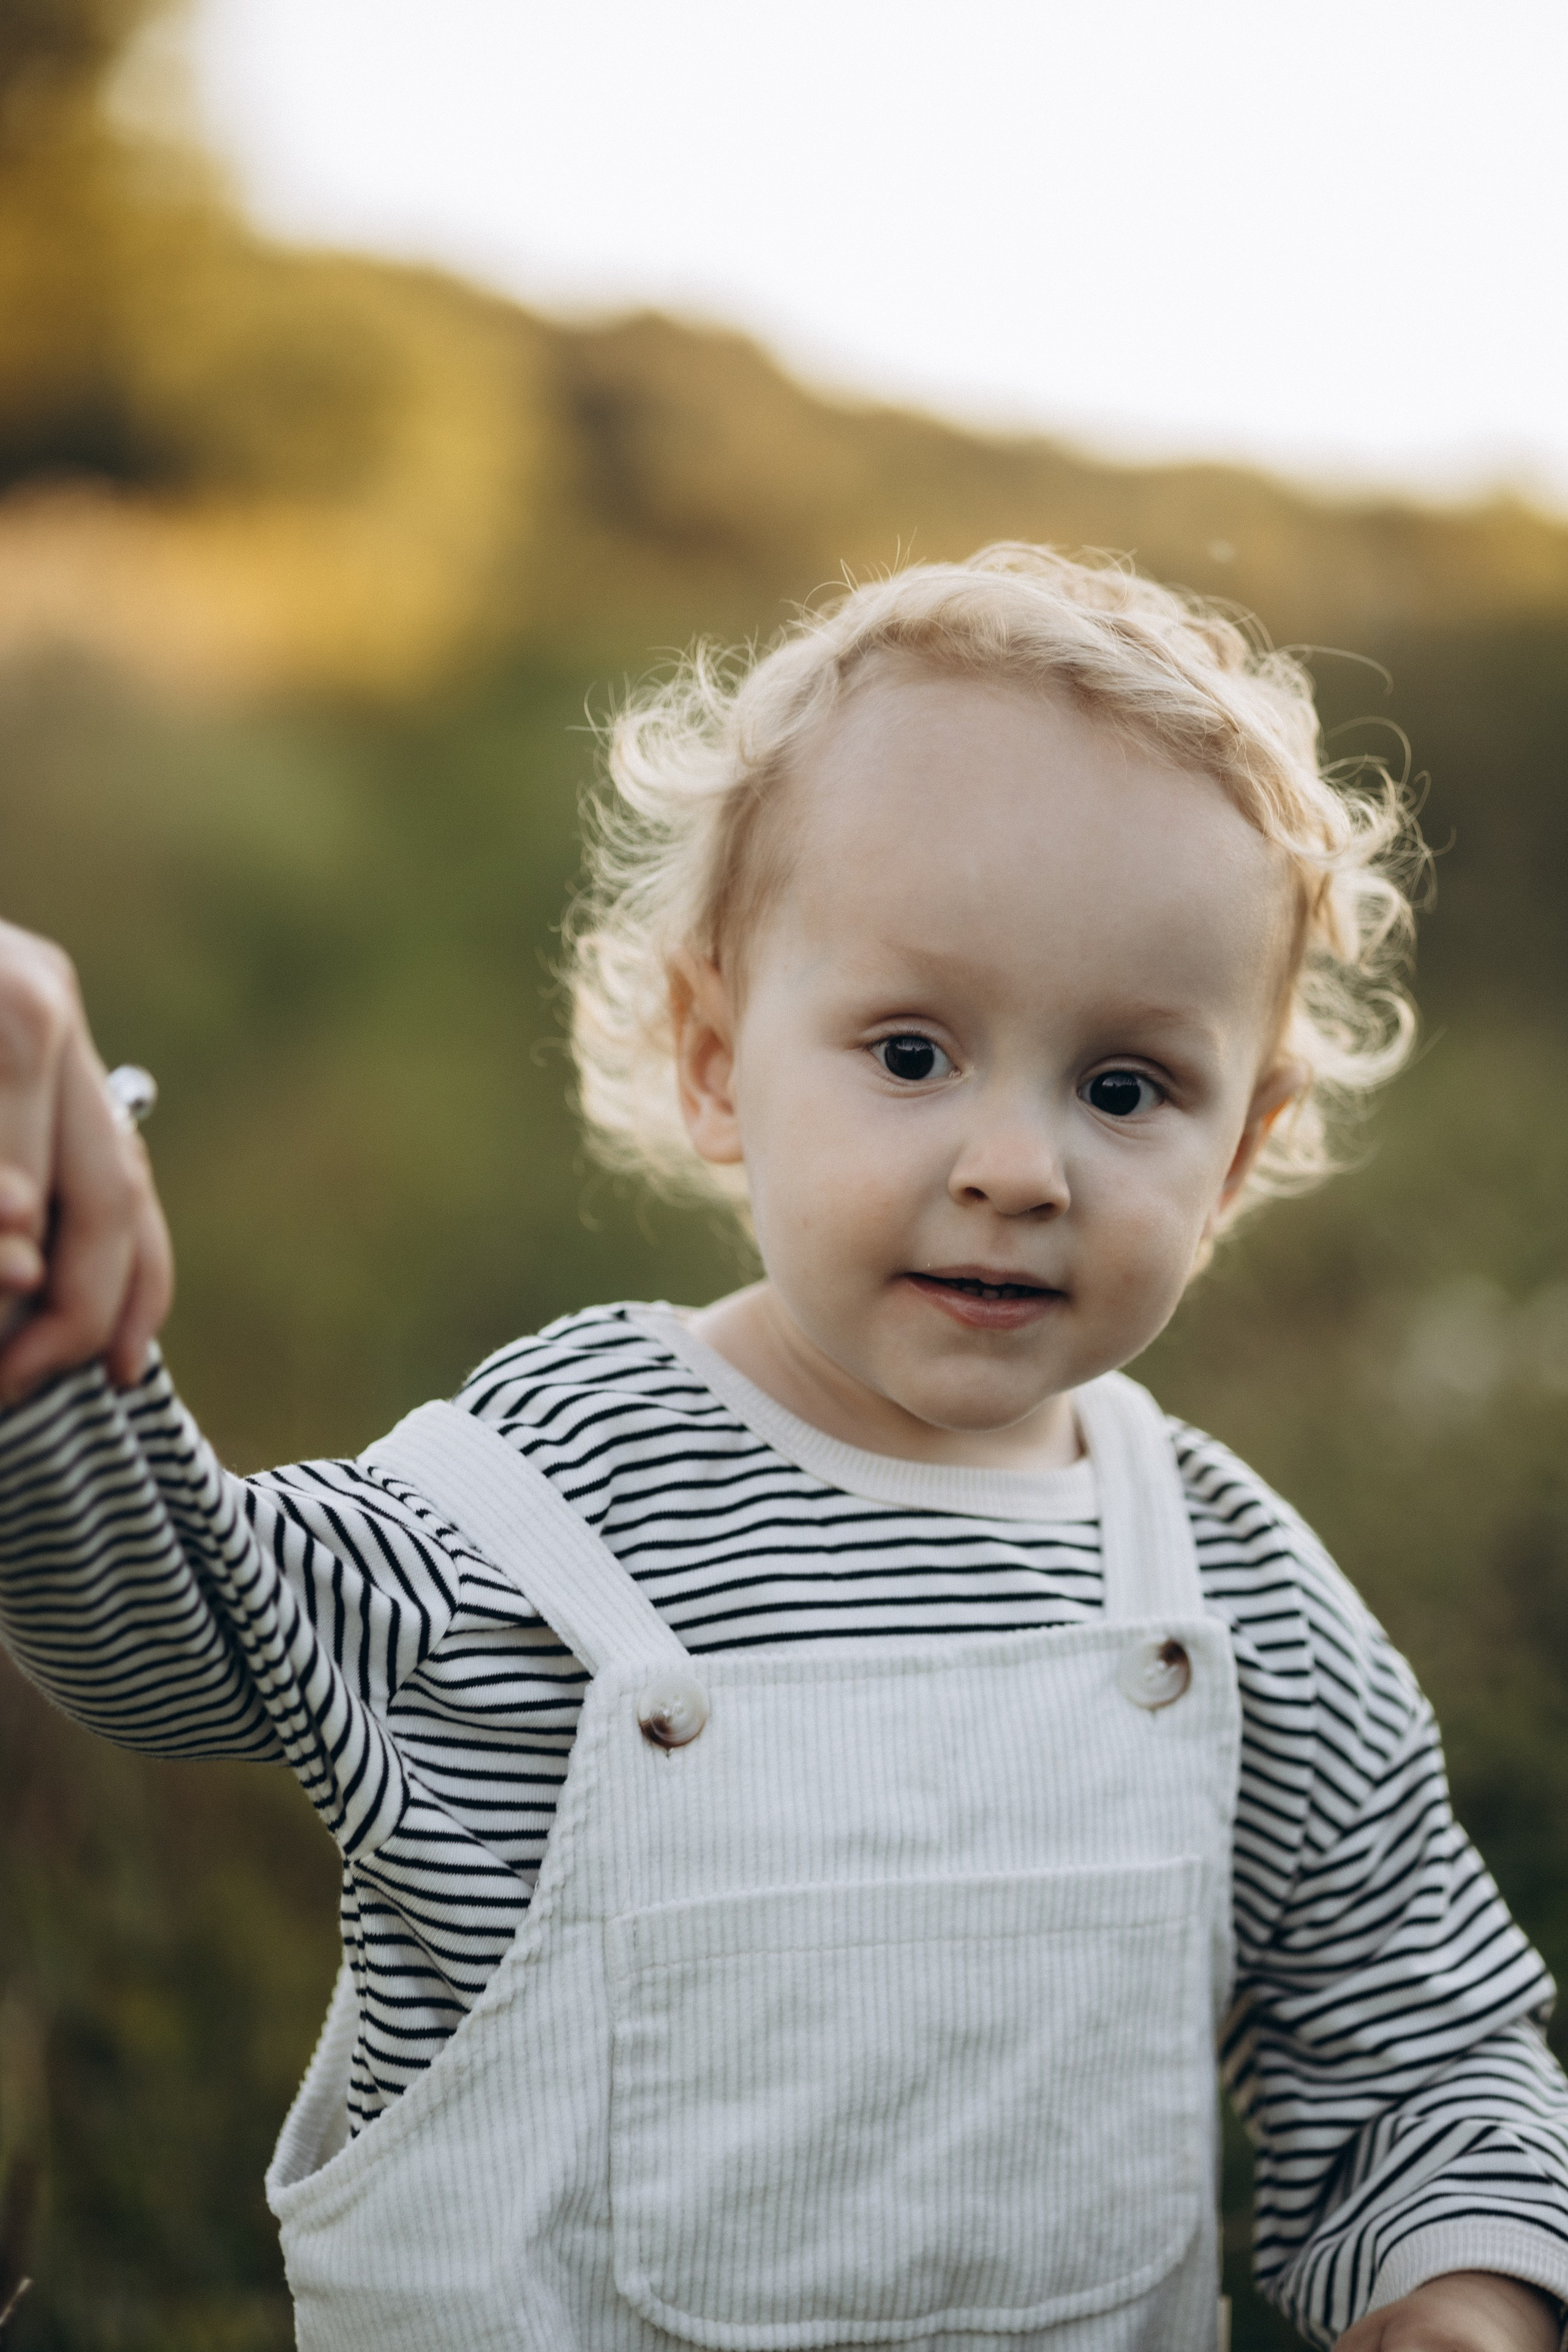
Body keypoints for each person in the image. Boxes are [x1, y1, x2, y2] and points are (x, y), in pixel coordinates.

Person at [0, 547, 1564, 2352]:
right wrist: (48, 1366)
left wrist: (1463, 2298)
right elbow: (172, 1642)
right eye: (912, 1052)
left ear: (1241, 1145)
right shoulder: (548, 1500)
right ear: (718, 1059)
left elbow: (1415, 2044)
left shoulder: (1221, 1590)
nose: (1017, 1166)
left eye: (1125, 1087)